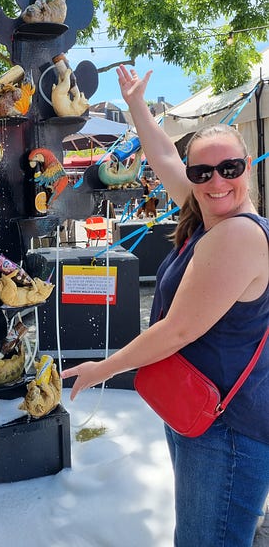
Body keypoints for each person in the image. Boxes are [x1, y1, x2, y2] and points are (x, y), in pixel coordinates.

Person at [61, 65, 269, 547]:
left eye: (229, 169)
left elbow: (177, 331)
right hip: (202, 411)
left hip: (227, 432)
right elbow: (162, 159)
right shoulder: (209, 215)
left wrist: (104, 368)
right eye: (202, 172)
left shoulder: (238, 234)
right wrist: (136, 104)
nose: (216, 181)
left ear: (248, 166)